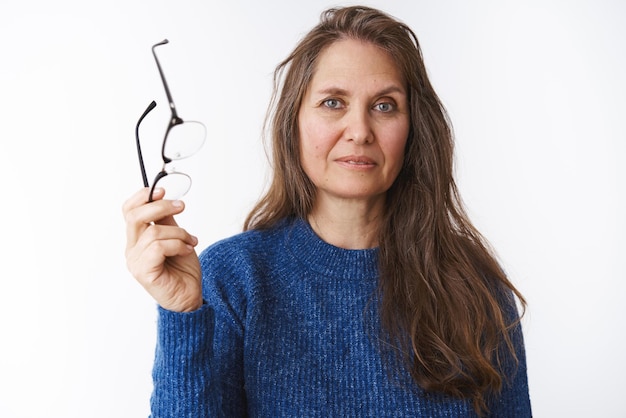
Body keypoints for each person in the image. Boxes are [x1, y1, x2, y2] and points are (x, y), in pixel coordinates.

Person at [123, 5, 531, 417]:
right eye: (333, 102)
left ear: (414, 129)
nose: (359, 131)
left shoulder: (472, 287)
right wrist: (180, 314)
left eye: (385, 106)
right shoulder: (235, 278)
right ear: (294, 122)